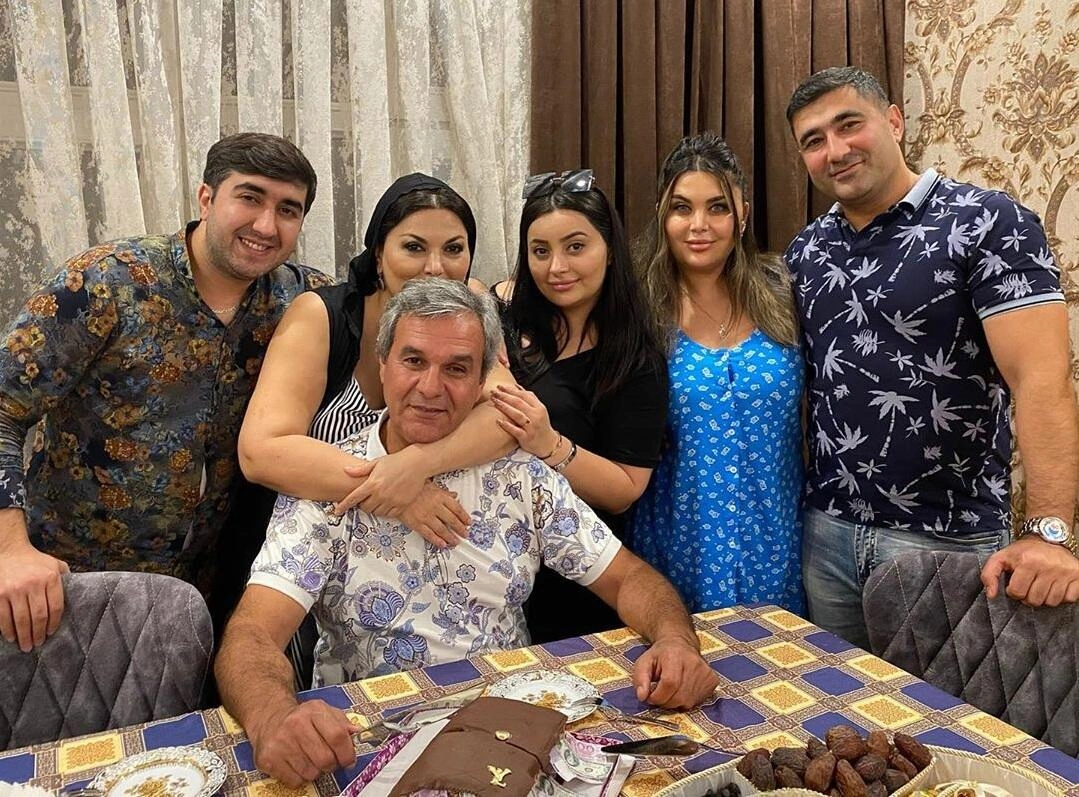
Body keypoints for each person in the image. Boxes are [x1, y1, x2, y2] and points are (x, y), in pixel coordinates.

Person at [216, 279, 720, 787]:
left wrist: (676, 641)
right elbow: (252, 634)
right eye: (413, 361)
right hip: (369, 747)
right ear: (382, 364)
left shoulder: (519, 474)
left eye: (457, 368)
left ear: (484, 380)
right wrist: (273, 717)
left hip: (511, 741)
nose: (430, 387)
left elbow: (628, 578)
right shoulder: (326, 483)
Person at [0, 133, 332, 652]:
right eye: (249, 198)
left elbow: (403, 323)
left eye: (288, 210)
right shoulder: (106, 282)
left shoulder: (303, 301)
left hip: (206, 601)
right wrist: (9, 550)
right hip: (64, 588)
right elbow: (4, 409)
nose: (266, 226)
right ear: (206, 198)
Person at [784, 66, 1079, 648]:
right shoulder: (805, 251)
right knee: (833, 699)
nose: (834, 151)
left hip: (947, 541)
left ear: (894, 121)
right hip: (827, 534)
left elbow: (1042, 379)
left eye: (849, 125)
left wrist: (1049, 532)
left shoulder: (986, 222)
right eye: (813, 141)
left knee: (942, 706)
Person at [237, 173, 513, 547]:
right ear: (379, 254)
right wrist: (400, 490)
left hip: (424, 550)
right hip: (311, 547)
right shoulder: (321, 316)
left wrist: (417, 466)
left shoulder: (466, 330)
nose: (436, 268)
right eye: (414, 247)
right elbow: (261, 452)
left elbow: (511, 417)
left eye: (453, 249)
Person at [631, 133, 805, 615]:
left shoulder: (786, 291)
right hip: (676, 548)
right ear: (662, 214)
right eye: (682, 208)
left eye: (718, 208)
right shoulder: (635, 308)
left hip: (777, 545)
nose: (699, 225)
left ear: (742, 215)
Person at [490, 169, 668, 642]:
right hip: (488, 561)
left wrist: (549, 444)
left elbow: (625, 489)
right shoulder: (501, 317)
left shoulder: (633, 358)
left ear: (609, 248)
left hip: (574, 574)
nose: (556, 268)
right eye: (540, 251)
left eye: (575, 247)